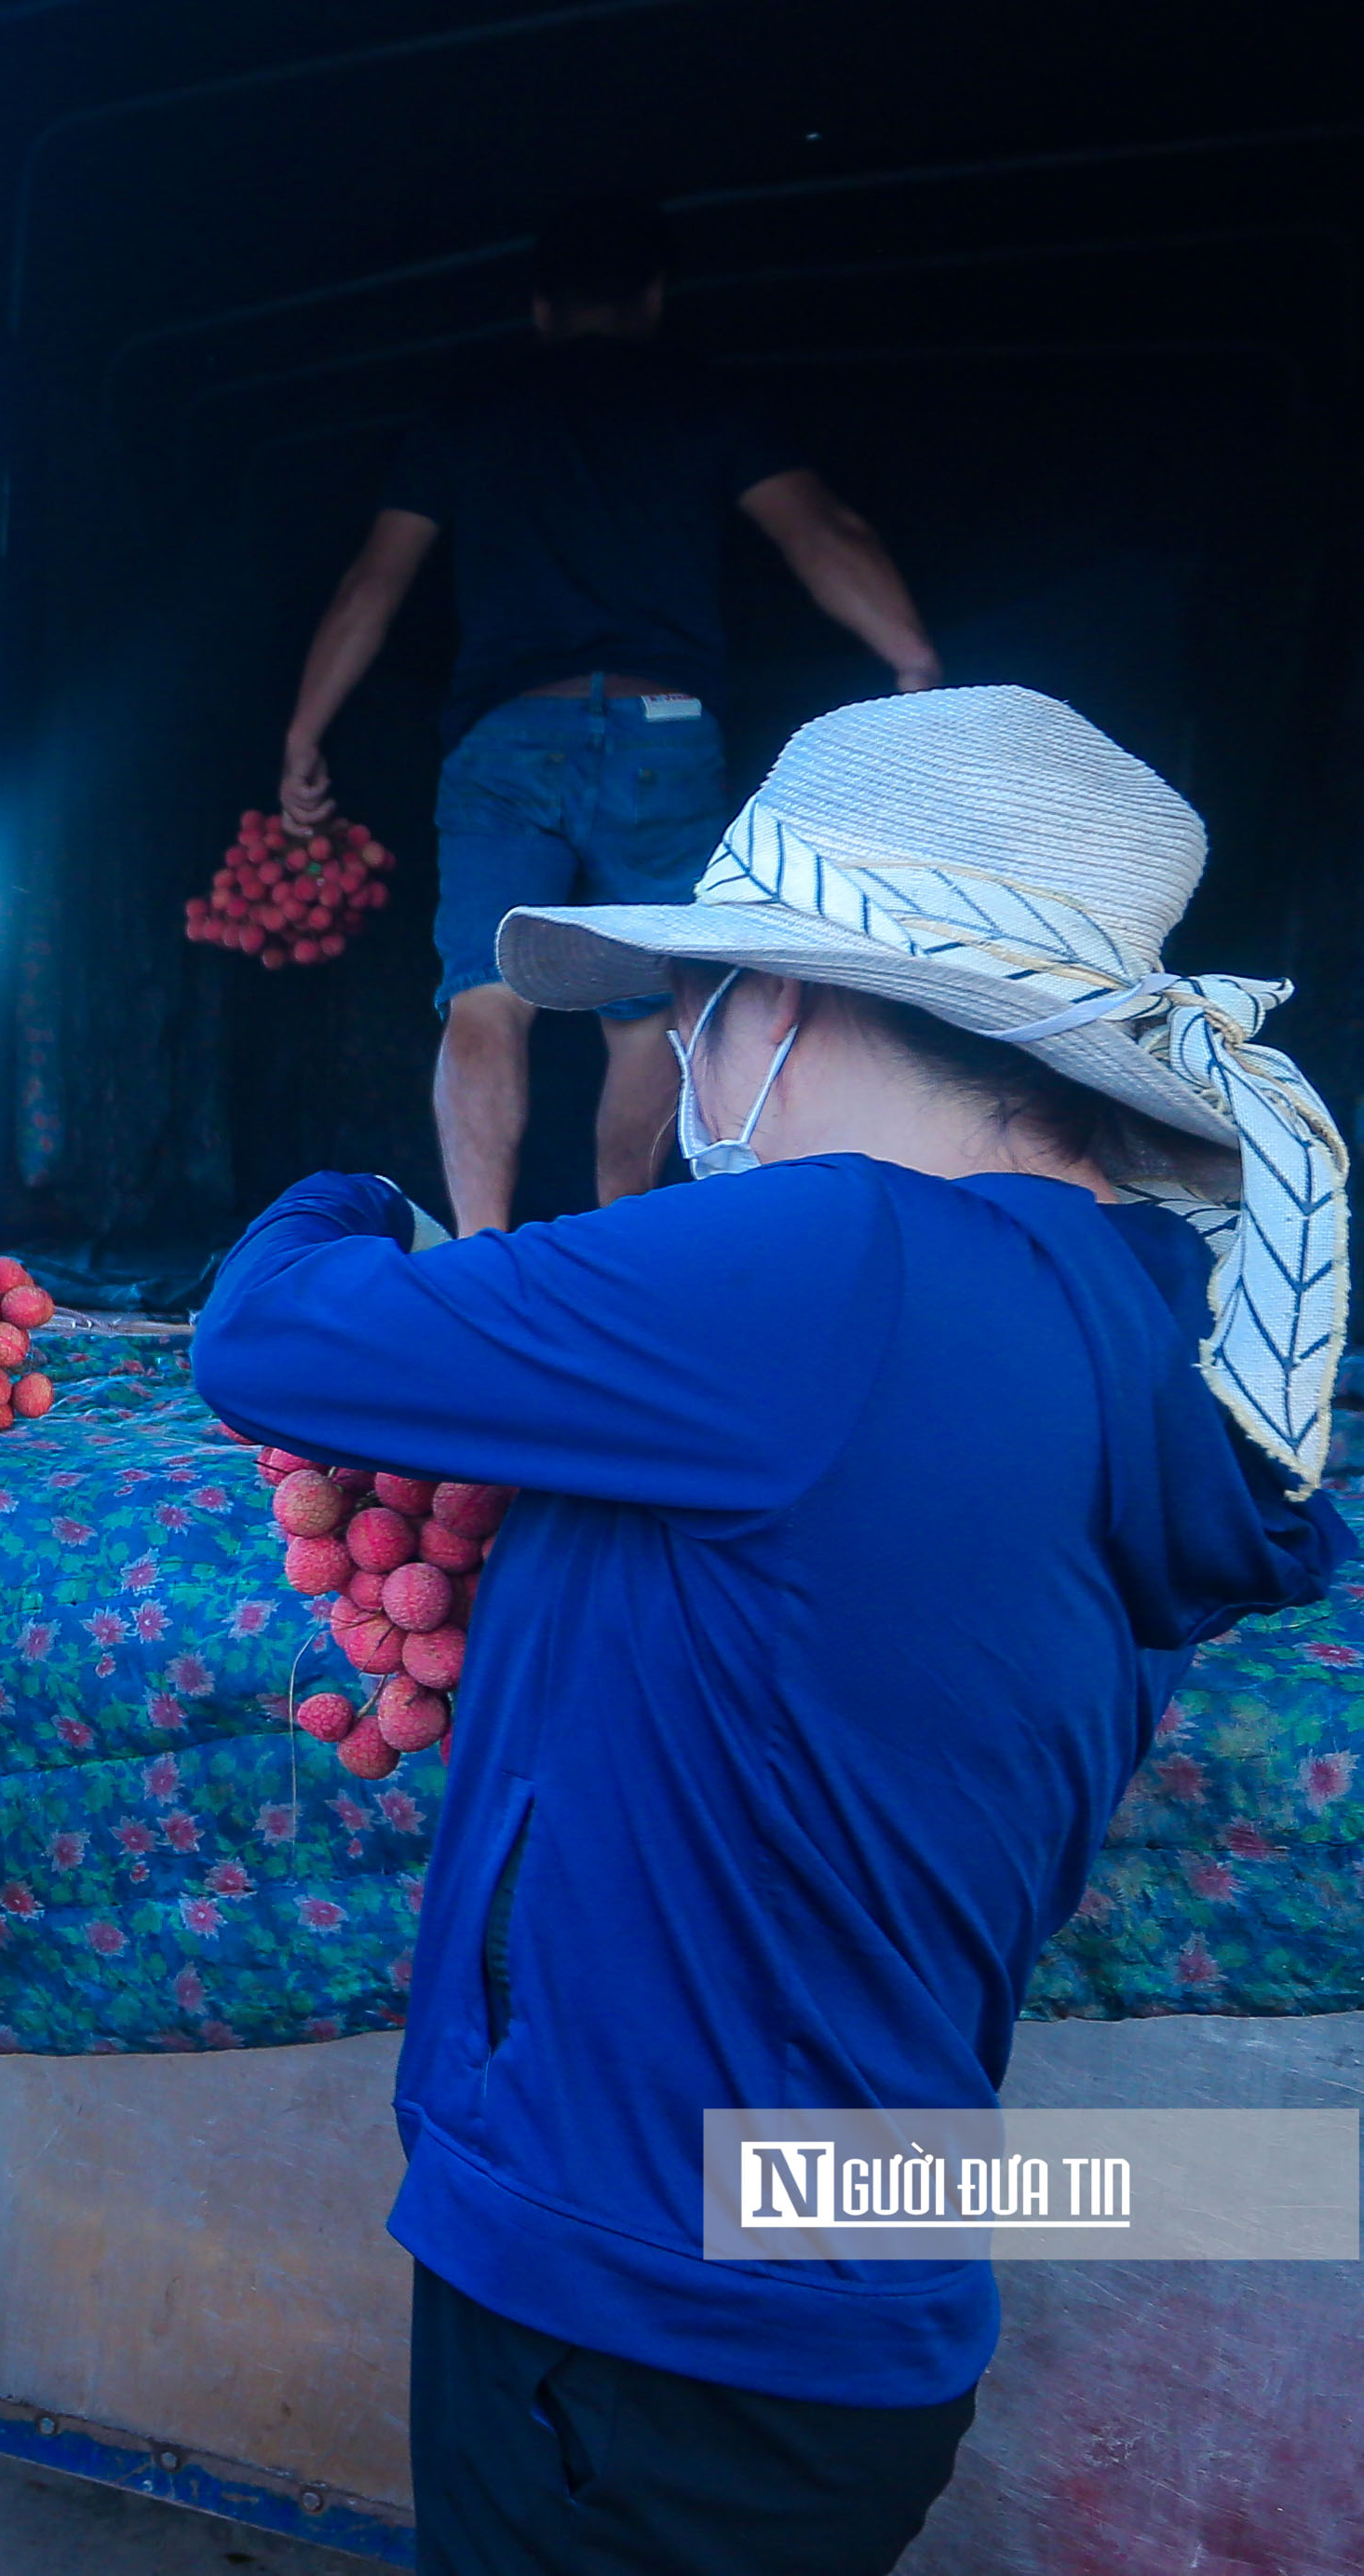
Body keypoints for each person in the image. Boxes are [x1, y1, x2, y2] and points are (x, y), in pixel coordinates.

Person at [196, 686, 1349, 2571]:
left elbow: (269, 1342)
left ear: (785, 1003)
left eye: (686, 1005)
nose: (680, 1048)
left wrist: (364, 1203)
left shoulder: (831, 1268)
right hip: (834, 2290)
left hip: (630, 2320)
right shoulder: (1136, 1331)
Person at [277, 195, 945, 1237]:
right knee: (649, 1021)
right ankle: (612, 1245)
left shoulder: (472, 411)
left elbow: (374, 582)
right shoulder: (704, 401)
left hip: (507, 734)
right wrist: (912, 660)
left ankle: (482, 1262)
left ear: (540, 306)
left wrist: (303, 731)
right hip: (663, 733)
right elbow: (821, 528)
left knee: (484, 999)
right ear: (655, 296)